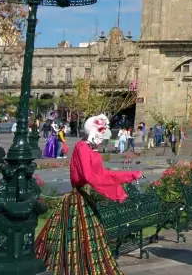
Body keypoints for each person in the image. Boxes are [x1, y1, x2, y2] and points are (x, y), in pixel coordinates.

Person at [35, 114, 142, 274]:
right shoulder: (82, 147)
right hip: (78, 198)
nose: (103, 134)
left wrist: (131, 175)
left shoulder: (92, 149)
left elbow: (103, 174)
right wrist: (114, 191)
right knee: (74, 237)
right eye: (101, 130)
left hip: (86, 198)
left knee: (92, 237)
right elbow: (88, 175)